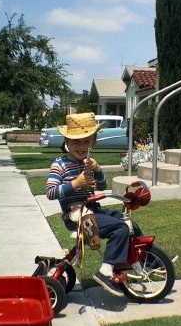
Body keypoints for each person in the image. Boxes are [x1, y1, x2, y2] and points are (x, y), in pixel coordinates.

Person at [45, 112, 141, 297]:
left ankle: (146, 260)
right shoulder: (60, 164)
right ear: (67, 142)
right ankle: (105, 270)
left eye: (86, 141)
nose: (81, 146)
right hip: (76, 214)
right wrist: (75, 184)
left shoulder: (88, 163)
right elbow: (50, 192)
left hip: (93, 209)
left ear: (93, 143)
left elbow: (102, 186)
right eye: (76, 142)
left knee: (130, 223)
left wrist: (98, 170)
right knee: (120, 228)